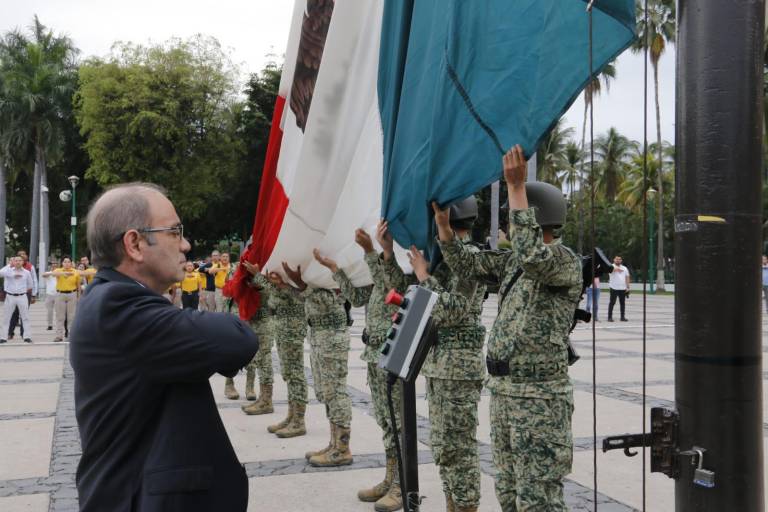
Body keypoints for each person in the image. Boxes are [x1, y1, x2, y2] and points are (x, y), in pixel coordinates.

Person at [70, 182, 259, 512]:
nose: (185, 244)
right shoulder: (120, 307)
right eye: (175, 231)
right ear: (135, 244)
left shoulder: (110, 298)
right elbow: (237, 339)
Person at [438, 146, 581, 510]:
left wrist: (516, 187)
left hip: (539, 398)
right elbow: (467, 263)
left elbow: (534, 256)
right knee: (509, 493)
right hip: (505, 392)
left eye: (513, 218)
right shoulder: (512, 263)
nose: (506, 227)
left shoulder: (563, 262)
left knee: (537, 499)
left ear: (535, 218)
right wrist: (443, 228)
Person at [382, 197, 487, 512]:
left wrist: (424, 277)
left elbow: (453, 309)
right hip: (440, 363)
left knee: (459, 448)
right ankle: (452, 505)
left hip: (459, 368)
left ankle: (465, 506)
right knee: (444, 447)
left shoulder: (471, 258)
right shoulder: (445, 257)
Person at [313, 227, 404, 510]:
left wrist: (370, 251)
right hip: (374, 352)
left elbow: (391, 286)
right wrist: (335, 269)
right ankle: (390, 478)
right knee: (386, 420)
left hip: (394, 350)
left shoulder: (398, 267)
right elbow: (358, 297)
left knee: (398, 422)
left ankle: (402, 484)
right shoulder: (376, 272)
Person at [283, 261, 354, 467]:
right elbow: (308, 300)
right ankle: (333, 444)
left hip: (332, 336)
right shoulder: (317, 271)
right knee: (326, 391)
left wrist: (302, 285)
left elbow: (327, 302)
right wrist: (289, 286)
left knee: (336, 392)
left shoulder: (331, 270)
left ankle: (342, 449)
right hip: (319, 334)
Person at [242, 264, 308, 437]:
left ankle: (299, 421)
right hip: (283, 327)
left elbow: (290, 294)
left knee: (295, 375)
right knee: (289, 374)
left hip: (292, 329)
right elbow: (277, 291)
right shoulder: (285, 280)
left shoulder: (297, 276)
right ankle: (291, 417)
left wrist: (259, 276)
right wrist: (260, 276)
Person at [44, 257, 80, 342]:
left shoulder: (75, 272)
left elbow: (78, 285)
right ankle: (59, 335)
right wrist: (64, 274)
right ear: (62, 263)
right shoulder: (58, 270)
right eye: (65, 262)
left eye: (68, 262)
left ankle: (71, 335)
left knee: (71, 316)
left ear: (71, 263)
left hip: (72, 294)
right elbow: (53, 274)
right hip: (60, 294)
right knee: (60, 316)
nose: (67, 263)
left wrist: (79, 296)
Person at [0, 256, 34, 343]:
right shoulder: (8, 271)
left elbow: (30, 285)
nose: (18, 262)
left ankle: (27, 336)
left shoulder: (26, 272)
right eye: (16, 260)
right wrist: (9, 265)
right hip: (10, 296)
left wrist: (21, 290)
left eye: (20, 260)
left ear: (23, 262)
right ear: (13, 262)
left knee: (25, 317)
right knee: (6, 317)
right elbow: (1, 273)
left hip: (22, 296)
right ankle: (3, 337)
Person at [7, 249, 37, 340]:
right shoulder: (11, 268)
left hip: (25, 294)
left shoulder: (30, 267)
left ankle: (24, 334)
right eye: (20, 255)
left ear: (26, 257)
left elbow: (34, 280)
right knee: (13, 313)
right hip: (12, 294)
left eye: (24, 254)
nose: (22, 256)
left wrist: (33, 294)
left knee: (24, 314)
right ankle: (10, 333)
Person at [607, 255, 630, 322]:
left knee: (622, 303)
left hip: (622, 288)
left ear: (621, 260)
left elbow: (627, 277)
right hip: (614, 287)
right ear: (614, 260)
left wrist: (628, 287)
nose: (618, 260)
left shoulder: (624, 268)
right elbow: (609, 270)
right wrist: (616, 269)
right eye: (617, 259)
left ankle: (622, 317)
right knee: (612, 303)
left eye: (619, 259)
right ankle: (609, 317)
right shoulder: (611, 266)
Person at [44, 259, 60, 330]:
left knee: (58, 311)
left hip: (58, 294)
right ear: (51, 266)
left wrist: (57, 273)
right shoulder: (48, 273)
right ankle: (50, 325)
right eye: (53, 264)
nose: (54, 265)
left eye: (56, 264)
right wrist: (52, 273)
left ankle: (58, 324)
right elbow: (43, 275)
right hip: (49, 294)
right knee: (49, 311)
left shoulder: (60, 273)